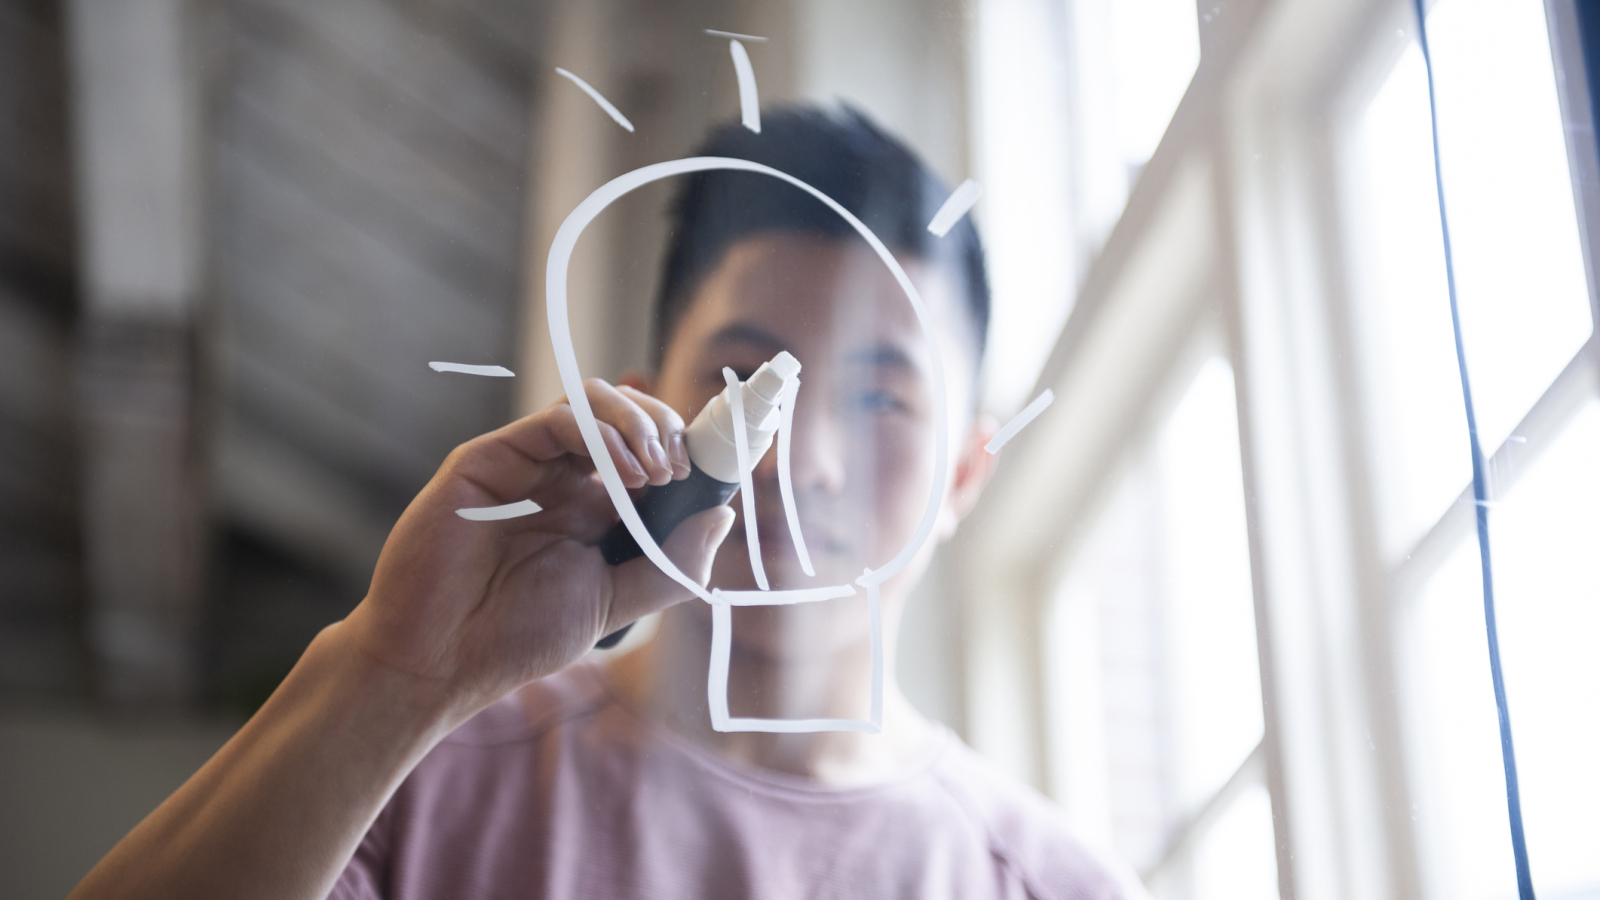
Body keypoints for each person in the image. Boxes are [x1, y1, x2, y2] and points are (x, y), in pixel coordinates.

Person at [69, 106, 1143, 900]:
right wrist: (397, 673)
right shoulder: (405, 776)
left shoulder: (1055, 884)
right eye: (743, 377)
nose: (798, 458)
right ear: (644, 411)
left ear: (963, 474)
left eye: (879, 396)